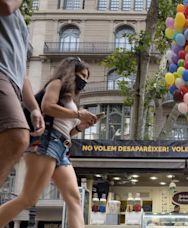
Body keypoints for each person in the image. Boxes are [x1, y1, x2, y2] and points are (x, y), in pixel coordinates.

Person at [0, 57, 97, 227]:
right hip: (46, 143)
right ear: (71, 72)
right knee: (28, 198)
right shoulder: (56, 84)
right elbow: (47, 107)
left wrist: (80, 127)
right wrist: (78, 114)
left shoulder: (71, 101)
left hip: (62, 149)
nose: (84, 81)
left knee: (74, 198)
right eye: (82, 75)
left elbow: (67, 131)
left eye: (87, 77)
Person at [0, 0, 45, 187]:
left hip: (12, 81)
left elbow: (21, 72)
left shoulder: (21, 23)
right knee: (17, 135)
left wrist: (34, 107)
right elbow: (5, 5)